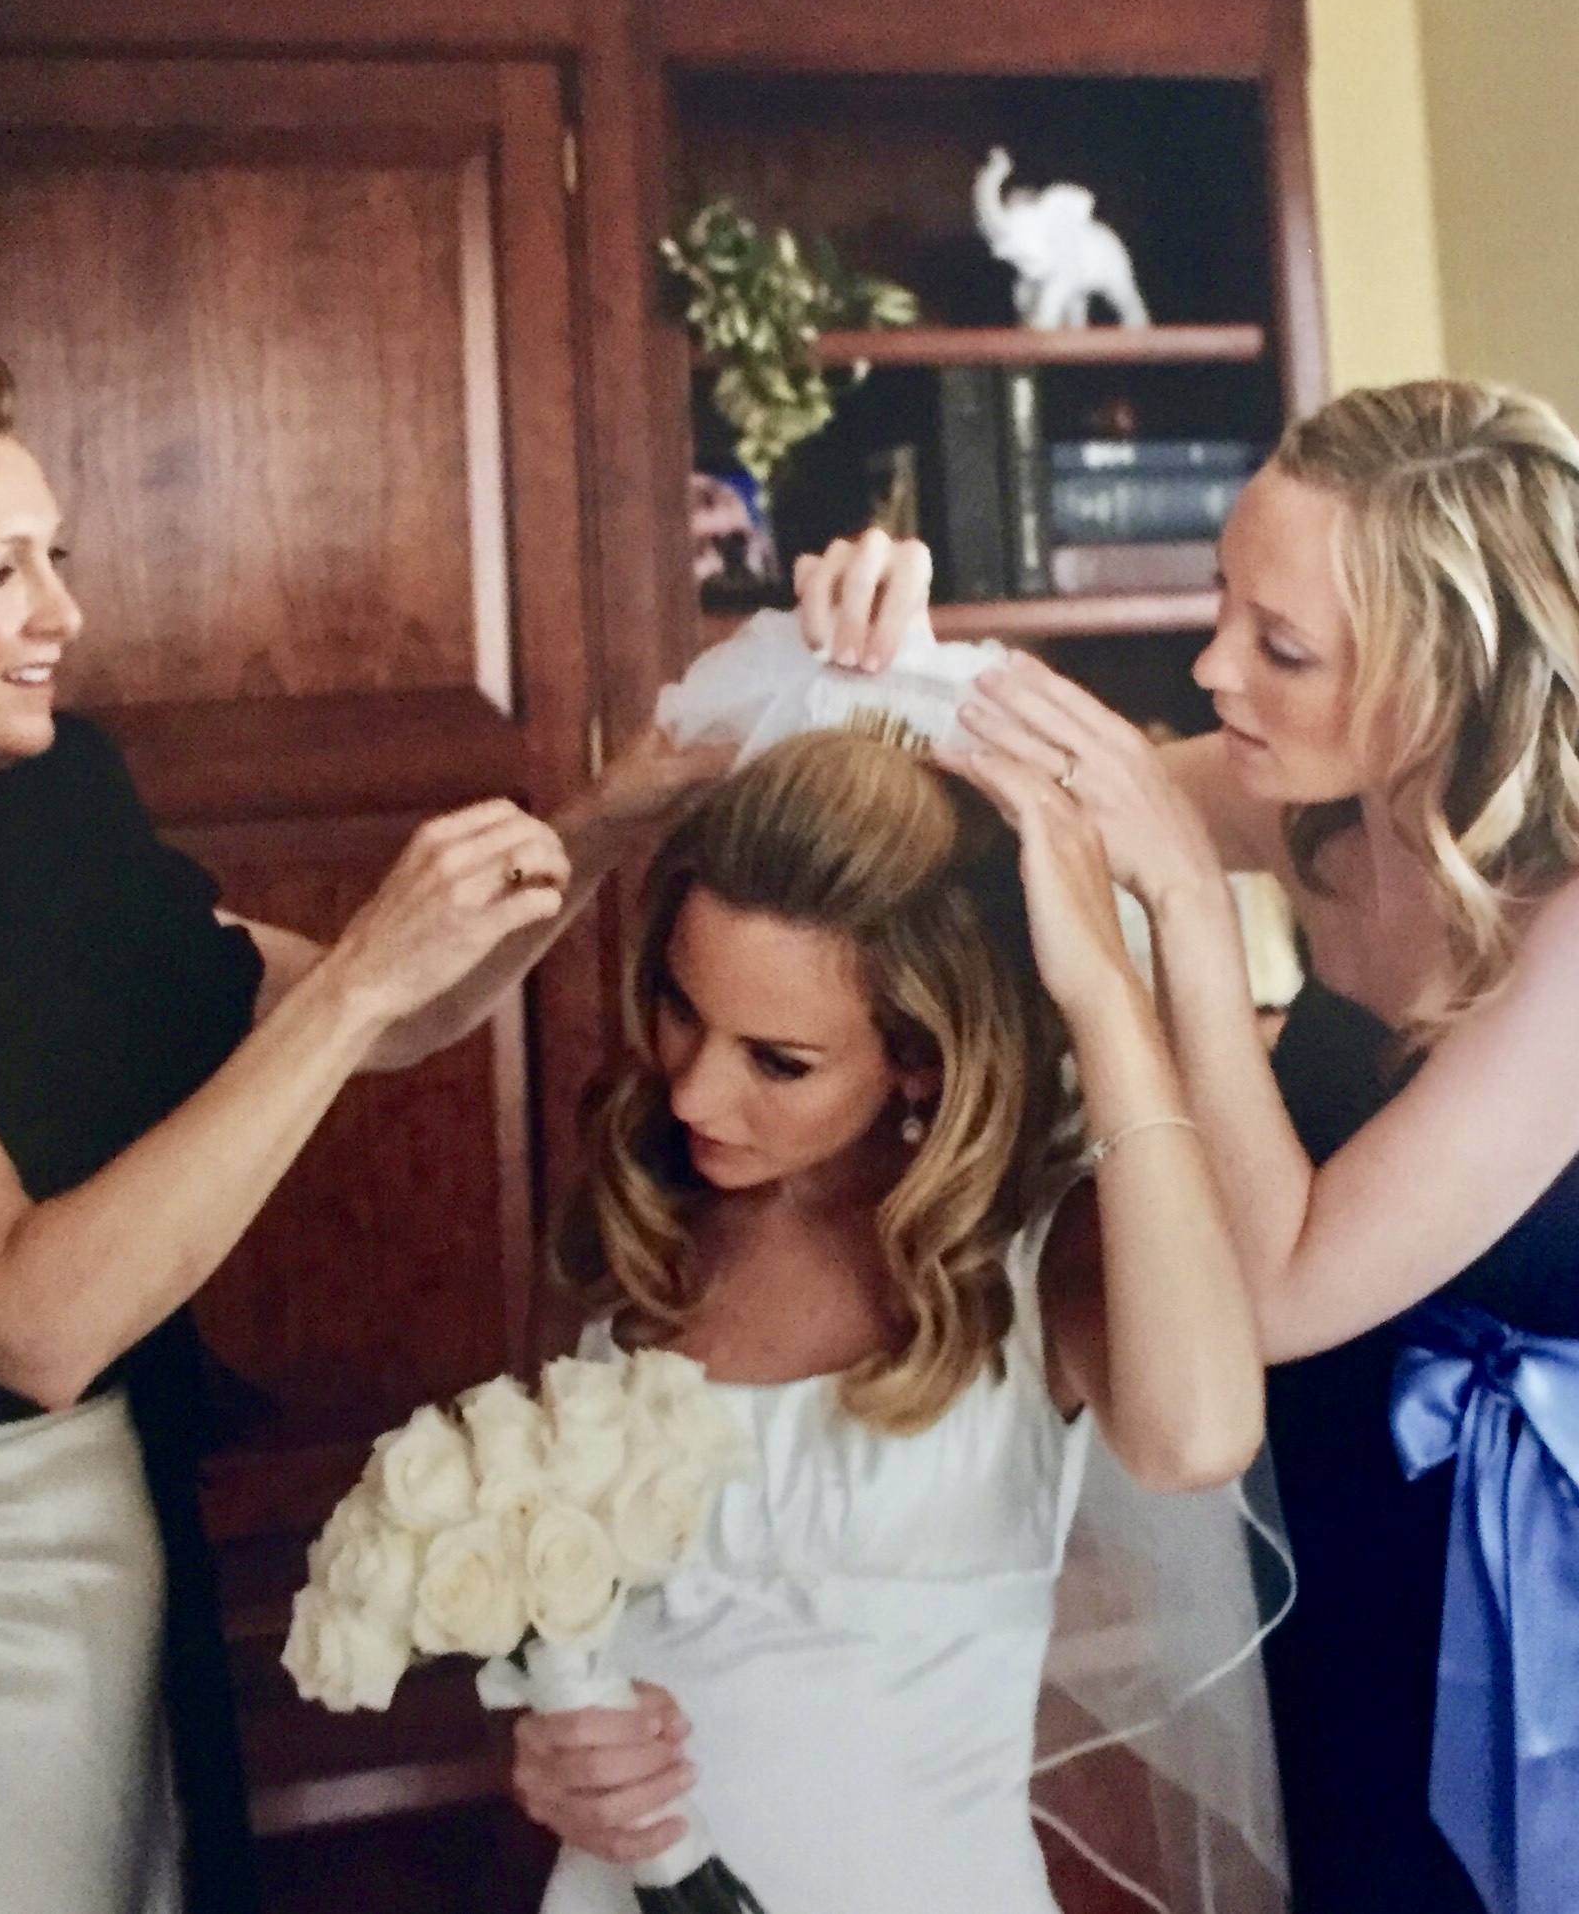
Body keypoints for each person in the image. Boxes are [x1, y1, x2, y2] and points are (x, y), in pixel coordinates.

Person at [0, 332, 716, 1914]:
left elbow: (395, 1019)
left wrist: (603, 826)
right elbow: (34, 1319)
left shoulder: (50, 823)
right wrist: (358, 979)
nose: (61, 613)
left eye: (54, 556)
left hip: (97, 1554)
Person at [800, 378, 1579, 1913]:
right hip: (1358, 1539)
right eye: (1223, 604)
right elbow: (1018, 809)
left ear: (1452, 677)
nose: (1211, 667)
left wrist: (1188, 914)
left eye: (1282, 645)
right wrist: (896, 653)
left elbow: (1279, 1287)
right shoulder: (1333, 807)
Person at [503, 727, 1271, 1914]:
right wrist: (554, 1755)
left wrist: (1103, 999)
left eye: (779, 1059)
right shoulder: (634, 1217)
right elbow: (556, 1622)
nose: (696, 1088)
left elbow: (1199, 1437)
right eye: (679, 1008)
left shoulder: (1041, 1254)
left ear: (919, 1057)